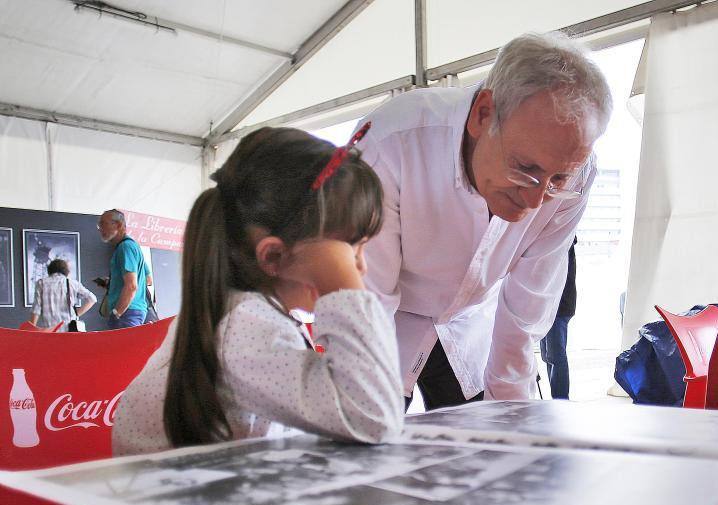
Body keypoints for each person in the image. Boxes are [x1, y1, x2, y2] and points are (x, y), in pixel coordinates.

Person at [355, 32, 612, 410]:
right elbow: (368, 298)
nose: (535, 200)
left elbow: (528, 302)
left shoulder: (578, 173)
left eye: (558, 179)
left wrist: (508, 418)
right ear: (483, 114)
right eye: (525, 168)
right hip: (385, 326)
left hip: (471, 325)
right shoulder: (389, 143)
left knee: (483, 447)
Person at [112, 125, 404, 456]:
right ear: (273, 256)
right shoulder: (246, 326)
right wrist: (342, 284)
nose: (360, 268)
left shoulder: (238, 313)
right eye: (350, 251)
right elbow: (373, 416)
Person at [96, 209, 153, 329]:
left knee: (124, 347)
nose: (100, 228)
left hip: (127, 313)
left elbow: (132, 286)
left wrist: (117, 313)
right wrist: (113, 283)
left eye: (103, 224)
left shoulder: (125, 247)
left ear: (119, 225)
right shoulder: (132, 246)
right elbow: (147, 279)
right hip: (134, 311)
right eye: (99, 225)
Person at [540, 237, 577, 399]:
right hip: (548, 306)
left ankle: (561, 401)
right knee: (547, 356)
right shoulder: (558, 241)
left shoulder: (563, 243)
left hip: (559, 306)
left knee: (555, 356)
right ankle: (557, 399)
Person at [29, 259, 96, 332]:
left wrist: (32, 329)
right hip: (69, 330)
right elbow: (92, 299)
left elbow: (36, 308)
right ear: (66, 271)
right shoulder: (72, 283)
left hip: (50, 331)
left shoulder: (41, 283)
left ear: (50, 269)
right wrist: (77, 313)